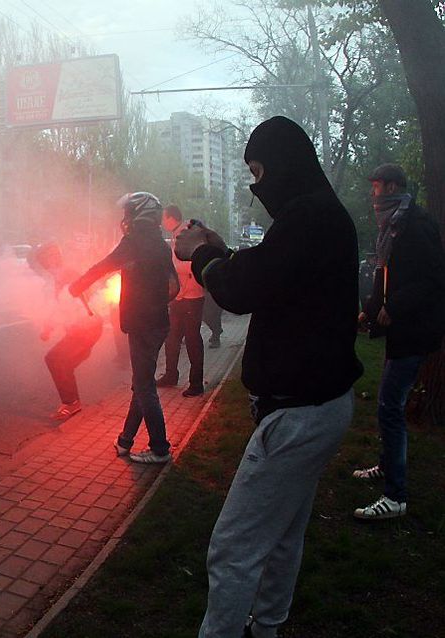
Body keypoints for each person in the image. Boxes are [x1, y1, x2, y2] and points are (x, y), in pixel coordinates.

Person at [174, 116, 363, 638]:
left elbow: (241, 290)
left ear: (282, 165)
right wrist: (221, 249)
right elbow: (272, 270)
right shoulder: (318, 217)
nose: (259, 189)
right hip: (320, 406)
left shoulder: (308, 218)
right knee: (282, 535)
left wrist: (202, 254)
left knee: (233, 547)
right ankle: (269, 626)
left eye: (259, 172)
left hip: (297, 416)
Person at [353, 164, 445, 520]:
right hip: (400, 330)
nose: (373, 193)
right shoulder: (392, 225)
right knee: (388, 404)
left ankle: (395, 496)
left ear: (392, 187)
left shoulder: (415, 225)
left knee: (390, 406)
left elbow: (434, 279)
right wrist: (371, 310)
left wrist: (396, 306)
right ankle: (387, 466)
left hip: (415, 330)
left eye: (376, 186)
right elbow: (385, 274)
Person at [69, 192, 179, 464]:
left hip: (142, 322)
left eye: (129, 212)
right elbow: (173, 287)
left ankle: (160, 448)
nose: (125, 218)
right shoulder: (161, 244)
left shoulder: (134, 241)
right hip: (157, 322)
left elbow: (105, 265)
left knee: (144, 388)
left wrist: (79, 284)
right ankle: (125, 441)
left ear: (139, 213)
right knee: (140, 384)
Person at [29, 242, 104, 420]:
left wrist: (49, 326)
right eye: (45, 259)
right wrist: (49, 327)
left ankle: (71, 403)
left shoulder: (66, 274)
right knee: (62, 363)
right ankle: (72, 402)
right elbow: (60, 307)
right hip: (83, 329)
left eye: (50, 257)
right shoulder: (59, 276)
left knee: (54, 359)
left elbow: (67, 302)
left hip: (86, 328)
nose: (47, 263)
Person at [156, 205, 206, 397]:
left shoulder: (185, 234)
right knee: (172, 337)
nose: (161, 222)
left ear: (170, 218)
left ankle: (196, 383)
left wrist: (174, 271)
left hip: (191, 297)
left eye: (163, 218)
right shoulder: (179, 234)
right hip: (180, 296)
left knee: (192, 340)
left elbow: (192, 264)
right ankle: (171, 375)